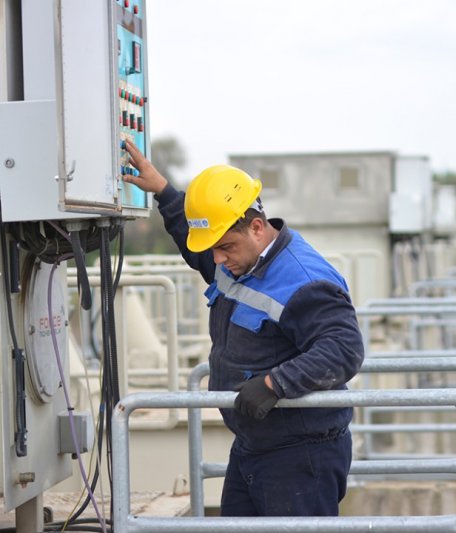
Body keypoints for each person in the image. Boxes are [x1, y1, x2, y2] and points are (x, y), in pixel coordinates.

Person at [123, 140, 365, 517]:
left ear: (256, 227)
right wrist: (165, 192)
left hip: (301, 455)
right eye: (214, 250)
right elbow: (200, 252)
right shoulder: (238, 260)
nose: (217, 259)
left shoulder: (303, 281)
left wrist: (273, 384)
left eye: (225, 247)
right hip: (253, 444)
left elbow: (344, 349)